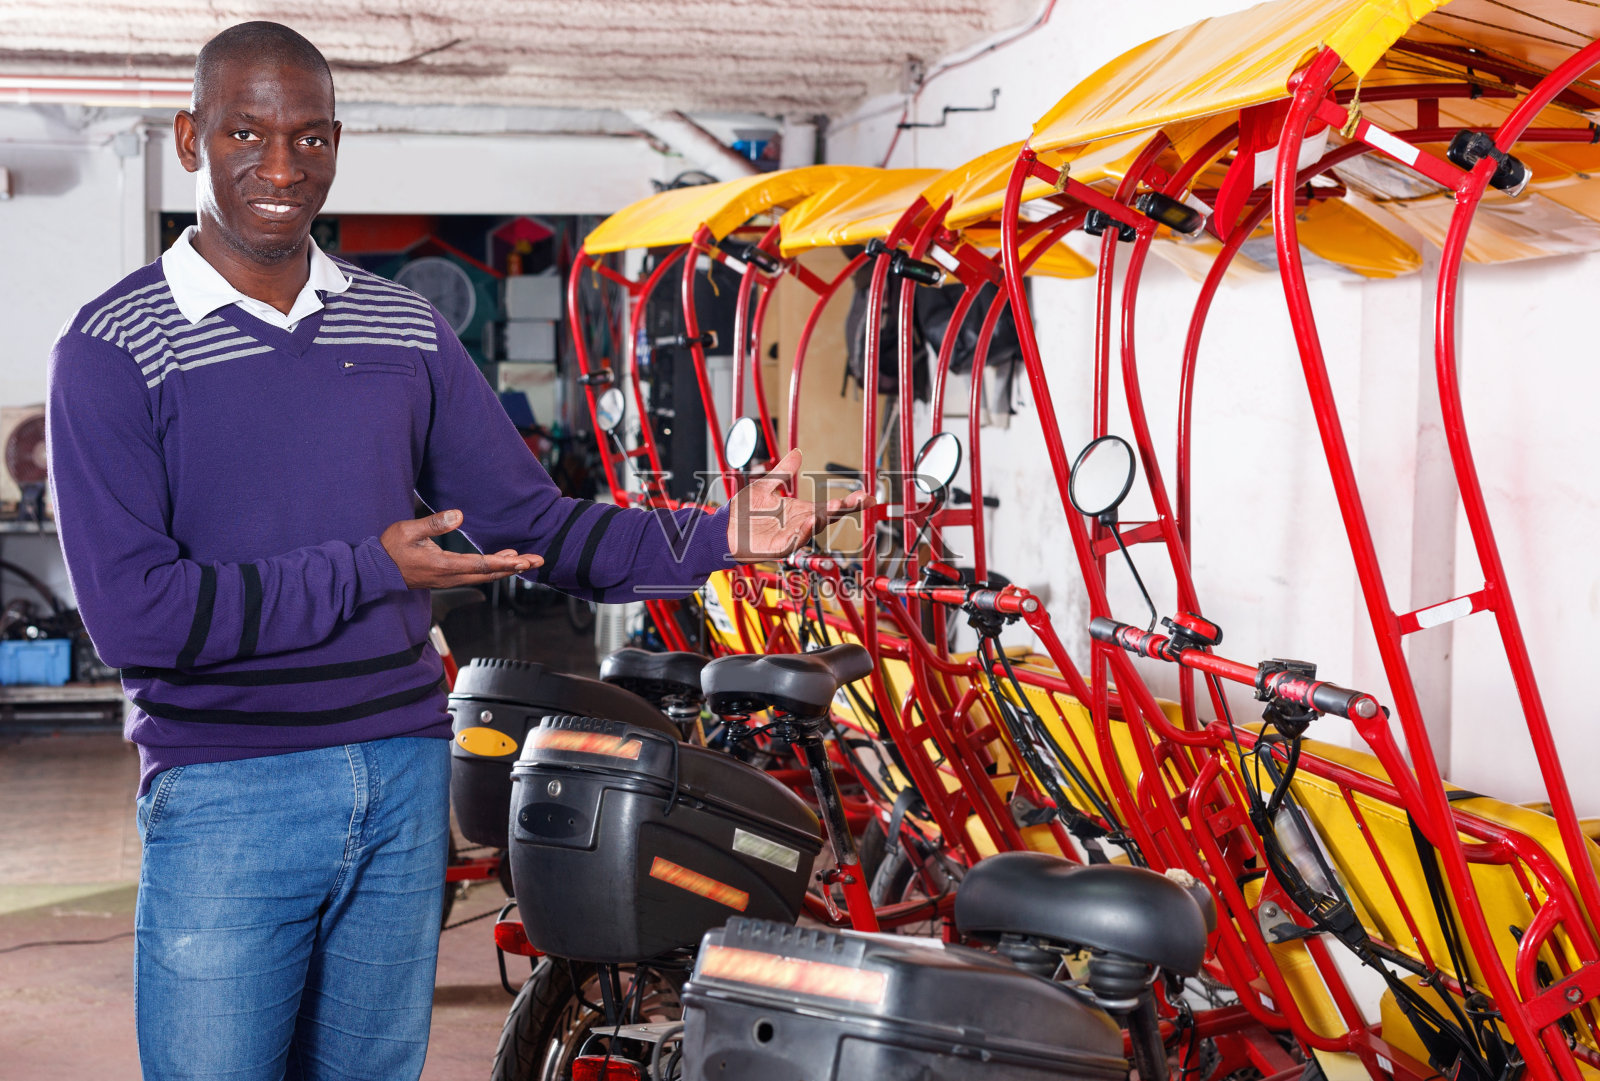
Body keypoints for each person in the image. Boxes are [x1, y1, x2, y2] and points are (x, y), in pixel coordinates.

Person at [46, 21, 865, 1081]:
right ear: (189, 137)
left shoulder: (403, 331)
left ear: (336, 144)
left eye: (309, 137)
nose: (282, 167)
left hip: (400, 774)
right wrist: (370, 567)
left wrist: (717, 536)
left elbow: (538, 525)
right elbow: (135, 618)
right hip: (227, 791)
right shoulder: (113, 348)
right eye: (247, 133)